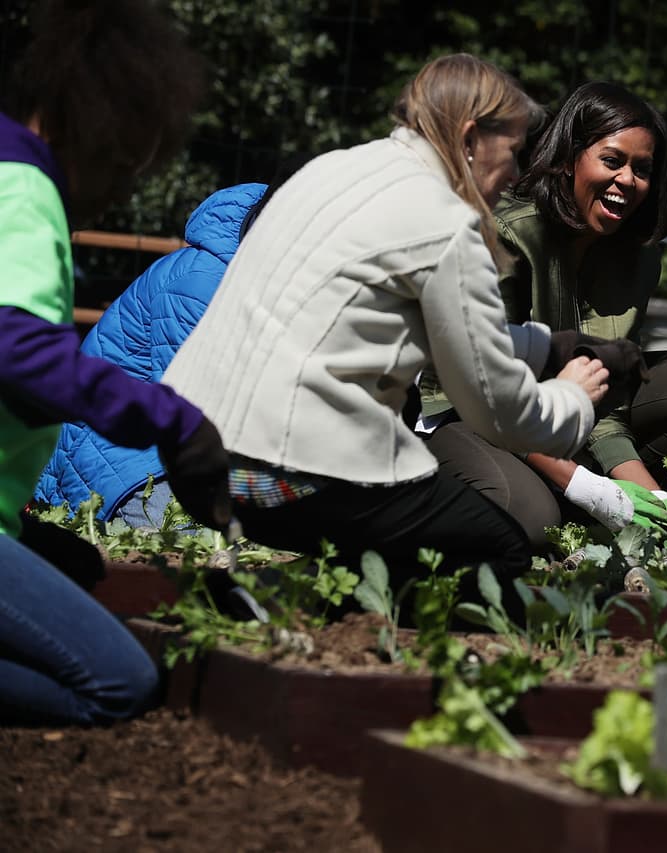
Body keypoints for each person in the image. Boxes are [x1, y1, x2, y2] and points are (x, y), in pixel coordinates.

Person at [162, 54, 614, 613]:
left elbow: (437, 332)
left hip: (190, 450)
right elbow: (498, 413)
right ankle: (285, 613)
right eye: (515, 150)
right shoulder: (445, 222)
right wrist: (573, 395)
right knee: (494, 551)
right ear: (471, 137)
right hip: (275, 475)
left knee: (396, 520)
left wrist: (546, 345)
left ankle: (273, 601)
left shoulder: (332, 170)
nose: (520, 174)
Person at [0, 0, 226, 725]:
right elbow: (16, 347)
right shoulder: (24, 190)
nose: (118, 193)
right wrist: (172, 420)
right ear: (87, 120)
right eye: (123, 166)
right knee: (121, 683)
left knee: (80, 568)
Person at [419, 81, 667, 546]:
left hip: (562, 416)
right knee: (533, 524)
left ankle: (596, 511)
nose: (628, 181)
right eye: (613, 160)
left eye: (642, 169)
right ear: (567, 159)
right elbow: (486, 390)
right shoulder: (506, 238)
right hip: (468, 415)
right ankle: (553, 499)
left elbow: (609, 396)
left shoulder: (637, 257)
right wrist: (590, 488)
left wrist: (649, 496)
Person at [34, 181, 268, 527]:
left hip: (166, 448)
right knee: (190, 542)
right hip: (122, 454)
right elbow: (192, 404)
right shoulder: (201, 281)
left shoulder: (252, 283)